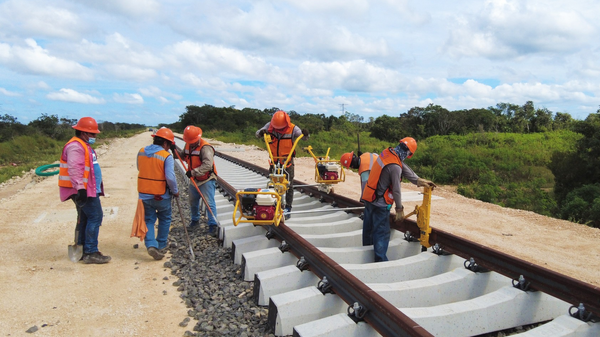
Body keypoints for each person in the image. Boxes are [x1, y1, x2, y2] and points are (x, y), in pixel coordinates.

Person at [360, 137, 437, 262]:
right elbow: (396, 189)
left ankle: (367, 256)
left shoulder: (388, 153)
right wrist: (399, 209)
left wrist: (419, 180)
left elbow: (402, 167)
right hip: (380, 204)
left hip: (369, 197)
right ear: (409, 153)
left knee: (368, 229)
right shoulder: (395, 166)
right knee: (382, 233)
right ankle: (380, 261)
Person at [58, 117, 111, 264]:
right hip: (82, 190)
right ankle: (91, 252)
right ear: (84, 133)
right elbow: (75, 168)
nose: (95, 137)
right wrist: (80, 188)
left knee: (85, 218)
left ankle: (82, 249)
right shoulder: (75, 147)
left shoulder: (83, 144)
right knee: (95, 216)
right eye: (92, 134)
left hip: (87, 188)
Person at [255, 110, 309, 219]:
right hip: (274, 161)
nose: (278, 130)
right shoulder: (269, 126)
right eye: (276, 128)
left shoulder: (294, 128)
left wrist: (306, 134)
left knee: (289, 185)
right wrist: (261, 133)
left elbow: (304, 138)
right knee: (273, 184)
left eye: (281, 128)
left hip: (287, 161)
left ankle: (288, 207)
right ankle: (273, 205)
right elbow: (257, 134)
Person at [137, 127, 179, 260]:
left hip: (144, 194)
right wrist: (175, 191)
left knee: (148, 219)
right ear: (166, 143)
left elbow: (140, 168)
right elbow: (170, 177)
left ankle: (151, 245)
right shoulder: (166, 156)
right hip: (162, 195)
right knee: (165, 218)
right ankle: (161, 245)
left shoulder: (141, 152)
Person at [178, 125, 218, 236]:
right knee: (193, 202)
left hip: (206, 179)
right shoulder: (187, 144)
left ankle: (213, 225)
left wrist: (193, 172)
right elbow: (182, 156)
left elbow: (208, 165)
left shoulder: (205, 148)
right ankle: (195, 221)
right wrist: (173, 148)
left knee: (209, 203)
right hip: (194, 180)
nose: (190, 143)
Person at [340, 150, 379, 245]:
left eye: (351, 166)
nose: (353, 168)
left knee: (371, 214)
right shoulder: (365, 155)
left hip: (382, 185)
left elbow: (365, 186)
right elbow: (375, 155)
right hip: (384, 172)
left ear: (353, 162)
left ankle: (370, 242)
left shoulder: (364, 170)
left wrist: (362, 199)